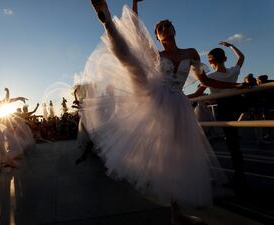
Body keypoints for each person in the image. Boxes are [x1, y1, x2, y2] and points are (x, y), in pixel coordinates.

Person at [86, 1, 243, 224]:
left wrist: (237, 87)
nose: (165, 30)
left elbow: (206, 80)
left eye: (167, 26)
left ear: (174, 30)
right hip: (155, 94)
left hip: (178, 104)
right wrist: (135, 3)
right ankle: (107, 21)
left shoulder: (191, 53)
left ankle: (175, 212)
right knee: (131, 59)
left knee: (176, 157)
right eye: (160, 29)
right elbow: (138, 35)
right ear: (157, 37)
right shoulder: (156, 55)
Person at [190, 41, 247, 190]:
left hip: (224, 108)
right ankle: (240, 174)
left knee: (230, 142)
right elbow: (241, 57)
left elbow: (197, 94)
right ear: (225, 59)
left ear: (210, 61)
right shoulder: (233, 72)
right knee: (235, 143)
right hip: (235, 105)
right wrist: (230, 46)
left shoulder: (210, 76)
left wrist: (178, 96)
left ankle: (238, 177)